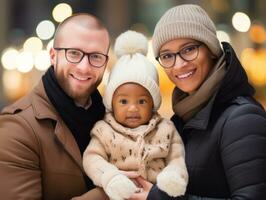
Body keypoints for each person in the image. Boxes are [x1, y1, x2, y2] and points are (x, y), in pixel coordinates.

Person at [128, 4, 266, 200]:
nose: (179, 64)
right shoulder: (183, 118)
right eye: (167, 56)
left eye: (189, 49)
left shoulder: (242, 119)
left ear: (210, 49)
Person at [0, 13, 110, 200]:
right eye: (74, 53)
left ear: (105, 63)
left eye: (96, 56)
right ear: (53, 55)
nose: (84, 67)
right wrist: (111, 192)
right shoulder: (17, 128)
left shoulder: (114, 118)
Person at [82, 30, 188, 200]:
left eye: (142, 101)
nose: (132, 109)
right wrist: (111, 178)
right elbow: (92, 158)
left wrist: (173, 175)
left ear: (153, 104)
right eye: (123, 102)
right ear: (111, 104)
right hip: (119, 194)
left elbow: (177, 157)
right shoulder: (104, 130)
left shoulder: (166, 128)